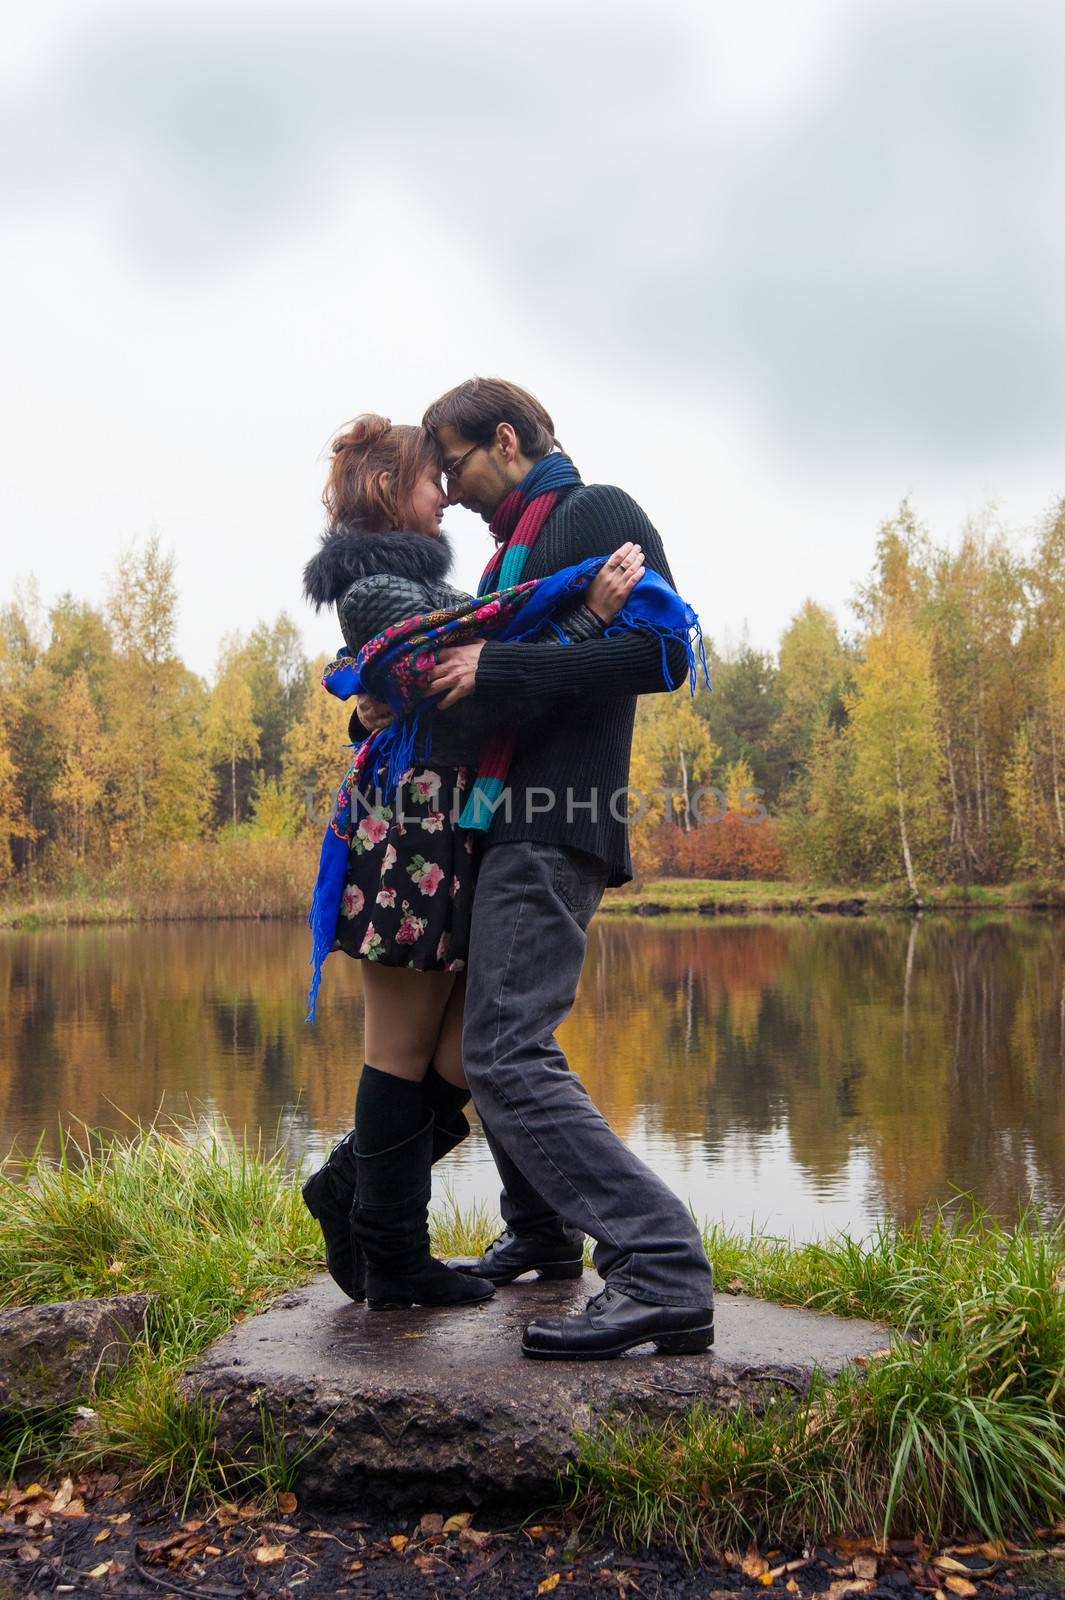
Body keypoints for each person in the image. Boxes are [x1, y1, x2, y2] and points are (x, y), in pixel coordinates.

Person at [299, 413, 645, 1314]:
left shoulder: (399, 586)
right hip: (408, 831)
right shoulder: (376, 586)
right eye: (430, 477)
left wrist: (382, 697)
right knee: (404, 1050)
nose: (444, 493)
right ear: (388, 490)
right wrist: (585, 614)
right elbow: (463, 682)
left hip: (449, 829)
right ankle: (392, 1251)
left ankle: (347, 1189)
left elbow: (451, 666)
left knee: (459, 1052)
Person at [410, 377, 716, 1359]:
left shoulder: (598, 511)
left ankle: (661, 1262)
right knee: (499, 1034)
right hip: (505, 822)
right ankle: (543, 1233)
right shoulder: (508, 559)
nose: (449, 491)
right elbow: (480, 697)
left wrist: (502, 669)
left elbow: (666, 651)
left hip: (558, 817)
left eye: (453, 464)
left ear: (507, 438)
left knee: (503, 1045)